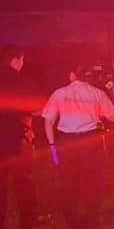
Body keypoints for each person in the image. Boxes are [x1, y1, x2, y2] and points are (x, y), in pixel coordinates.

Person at [41, 64, 114, 229]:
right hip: (92, 142)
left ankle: (73, 223)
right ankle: (92, 222)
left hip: (67, 143)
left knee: (68, 184)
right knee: (93, 184)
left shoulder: (60, 93)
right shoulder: (97, 93)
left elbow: (48, 121)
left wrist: (53, 146)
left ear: (72, 75)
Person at [0, 46, 49, 228]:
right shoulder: (24, 82)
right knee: (24, 181)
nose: (23, 63)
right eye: (22, 60)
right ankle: (29, 220)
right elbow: (39, 108)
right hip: (19, 141)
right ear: (15, 60)